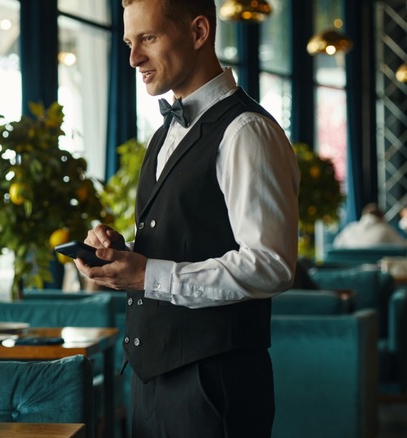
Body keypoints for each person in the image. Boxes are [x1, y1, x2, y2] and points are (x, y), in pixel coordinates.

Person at [72, 1, 299, 437]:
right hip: (151, 379)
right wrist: (123, 254)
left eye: (148, 39)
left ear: (198, 33)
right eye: (128, 43)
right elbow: (186, 239)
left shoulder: (246, 131)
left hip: (214, 384)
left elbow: (271, 265)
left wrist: (147, 276)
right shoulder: (164, 135)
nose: (133, 58)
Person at [333, 203, 407, 248]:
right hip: (375, 271)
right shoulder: (386, 229)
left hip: (346, 270)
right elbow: (403, 246)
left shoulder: (349, 229)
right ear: (382, 218)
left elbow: (336, 246)